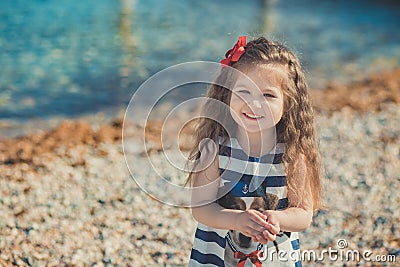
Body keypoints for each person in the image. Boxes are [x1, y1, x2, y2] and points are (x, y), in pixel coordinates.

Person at [186, 36, 322, 267]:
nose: (253, 103)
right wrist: (237, 220)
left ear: (288, 103)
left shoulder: (293, 155)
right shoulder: (215, 148)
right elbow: (201, 207)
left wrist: (277, 218)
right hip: (219, 256)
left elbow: (303, 214)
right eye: (244, 91)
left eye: (268, 95)